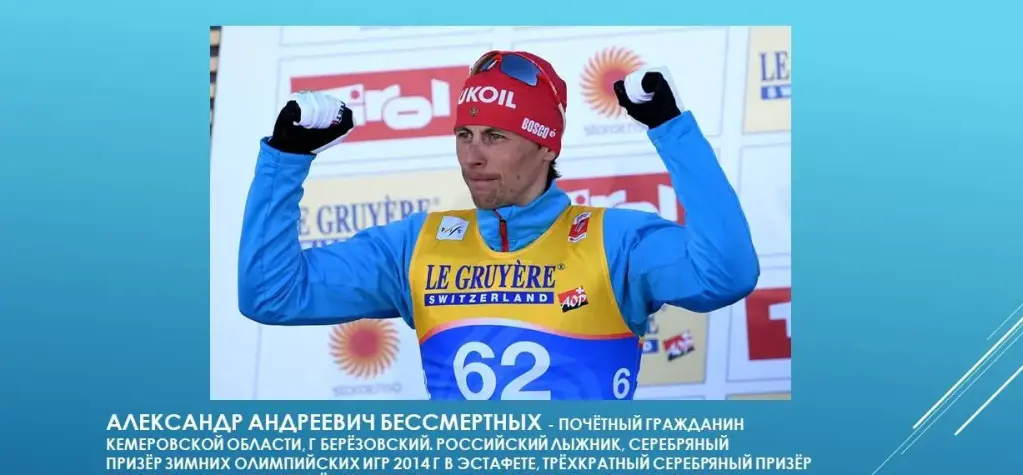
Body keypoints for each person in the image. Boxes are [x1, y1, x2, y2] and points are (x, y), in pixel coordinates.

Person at [237, 50, 760, 401]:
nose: (473, 157)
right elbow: (271, 295)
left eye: (495, 137)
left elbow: (725, 275)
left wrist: (671, 128)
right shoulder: (415, 246)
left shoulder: (614, 239)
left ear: (546, 146)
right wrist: (287, 158)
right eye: (464, 135)